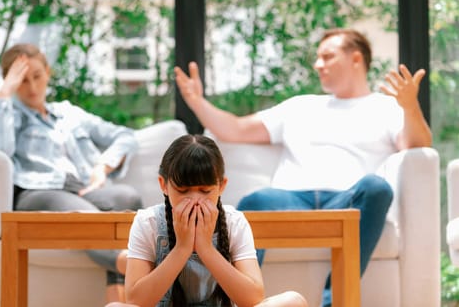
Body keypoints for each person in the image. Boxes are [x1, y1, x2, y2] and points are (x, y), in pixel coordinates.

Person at [173, 28, 432, 307]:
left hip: (348, 200)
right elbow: (235, 129)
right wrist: (196, 102)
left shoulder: (385, 107)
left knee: (377, 188)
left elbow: (418, 145)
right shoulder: (299, 107)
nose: (318, 64)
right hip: (290, 199)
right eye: (317, 58)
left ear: (356, 59)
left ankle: (333, 303)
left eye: (327, 56)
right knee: (255, 200)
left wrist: (410, 107)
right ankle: (232, 299)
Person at [0, 43, 143, 303]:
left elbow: (125, 136)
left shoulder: (69, 114)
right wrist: (3, 93)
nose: (32, 88)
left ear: (48, 72)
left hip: (81, 188)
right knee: (88, 217)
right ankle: (134, 266)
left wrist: (102, 167)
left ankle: (118, 301)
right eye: (22, 81)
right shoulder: (9, 115)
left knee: (127, 198)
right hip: (38, 191)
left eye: (37, 76)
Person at [108, 134, 307, 307]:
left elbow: (253, 299)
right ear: (164, 185)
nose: (195, 200)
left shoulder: (234, 222)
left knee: (294, 301)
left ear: (221, 186)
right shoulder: (148, 222)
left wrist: (206, 248)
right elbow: (136, 301)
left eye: (205, 191)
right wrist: (182, 249)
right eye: (183, 191)